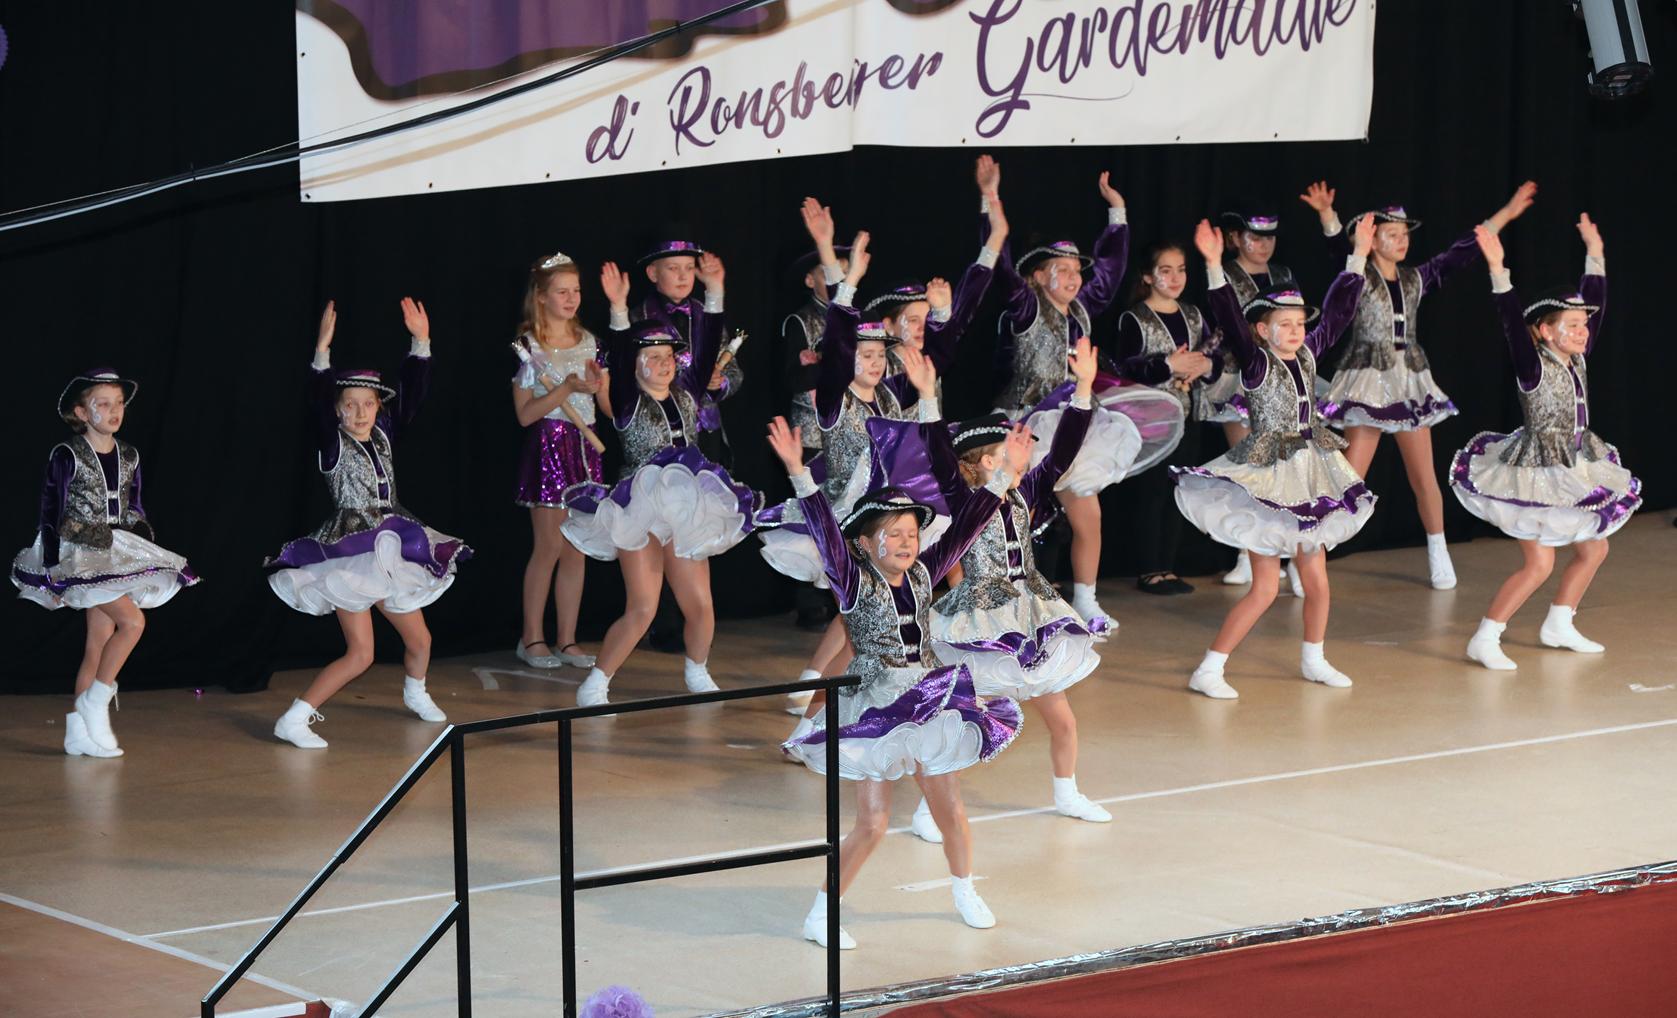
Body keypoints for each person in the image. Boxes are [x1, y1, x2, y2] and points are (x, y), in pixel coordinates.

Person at [766, 415, 1027, 949]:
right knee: (874, 823)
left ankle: (963, 891)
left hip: (929, 698)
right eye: (895, 534)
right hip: (877, 707)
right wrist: (798, 472)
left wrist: (1001, 479)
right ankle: (821, 913)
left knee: (951, 809)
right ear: (866, 543)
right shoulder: (853, 580)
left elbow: (966, 527)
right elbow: (826, 534)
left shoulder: (925, 573)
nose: (908, 542)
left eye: (913, 533)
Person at [1172, 215, 1376, 699]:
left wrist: (1358, 257)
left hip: (1311, 471)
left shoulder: (1307, 354)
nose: (1296, 330)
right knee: (1265, 588)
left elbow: (1339, 313)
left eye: (1300, 323)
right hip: (1269, 476)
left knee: (1317, 579)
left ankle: (1314, 659)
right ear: (1262, 330)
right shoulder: (1256, 360)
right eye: (1284, 324)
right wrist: (1213, 265)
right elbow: (1227, 315)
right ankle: (1210, 668)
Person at [916, 337, 1110, 839]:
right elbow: (939, 457)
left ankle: (1067, 793)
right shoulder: (964, 499)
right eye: (1009, 450)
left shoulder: (1027, 494)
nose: (1023, 453)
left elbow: (1062, 454)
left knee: (1062, 718)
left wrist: (1083, 390)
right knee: (961, 719)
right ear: (983, 462)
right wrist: (928, 399)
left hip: (1031, 614)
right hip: (981, 621)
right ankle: (927, 811)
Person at [1300, 179, 1537, 590]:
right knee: (1350, 477)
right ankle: (1311, 552)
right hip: (1367, 381)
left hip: (1409, 382)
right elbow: (1343, 255)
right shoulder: (1358, 274)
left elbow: (1459, 253)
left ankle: (1437, 549)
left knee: (1424, 475)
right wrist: (1328, 216)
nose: (1402, 240)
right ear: (1372, 239)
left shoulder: (1415, 279)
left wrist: (1506, 213)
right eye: (1392, 234)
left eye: (1405, 234)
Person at [980, 154, 1182, 624]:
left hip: (1071, 424)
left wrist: (1117, 213)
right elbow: (1001, 271)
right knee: (1016, 519)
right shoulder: (1026, 307)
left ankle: (1086, 600)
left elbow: (1109, 274)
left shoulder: (1082, 311)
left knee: (1087, 516)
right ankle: (1011, 604)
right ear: (1038, 276)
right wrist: (990, 201)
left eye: (1077, 271)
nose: (1074, 279)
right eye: (1062, 270)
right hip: (1023, 427)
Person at [562, 255, 761, 706]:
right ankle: (596, 683)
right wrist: (618, 308)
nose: (663, 363)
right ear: (635, 365)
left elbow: (707, 348)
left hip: (686, 505)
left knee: (701, 607)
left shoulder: (688, 392)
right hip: (639, 507)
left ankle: (697, 671)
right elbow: (617, 354)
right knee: (644, 607)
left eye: (668, 356)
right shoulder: (628, 401)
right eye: (651, 357)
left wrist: (714, 292)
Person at [267, 299, 467, 748]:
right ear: (337, 410)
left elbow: (413, 395)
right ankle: (294, 718)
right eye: (350, 405)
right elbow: (316, 401)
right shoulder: (331, 443)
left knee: (421, 641)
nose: (359, 413)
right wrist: (321, 353)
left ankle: (415, 692)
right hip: (352, 554)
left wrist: (421, 343)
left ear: (379, 408)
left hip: (391, 546)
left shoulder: (383, 436)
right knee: (361, 653)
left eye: (368, 404)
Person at [1455, 218, 1640, 670]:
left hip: (1574, 460)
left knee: (1595, 547)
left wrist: (1595, 253)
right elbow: (1510, 322)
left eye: (1583, 325)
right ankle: (1485, 637)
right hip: (1536, 469)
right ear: (1543, 330)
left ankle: (1559, 622)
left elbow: (1595, 302)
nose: (1582, 331)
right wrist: (1498, 271)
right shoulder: (1532, 365)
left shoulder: (1578, 358)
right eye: (1571, 325)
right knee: (1538, 565)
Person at [12, 368, 200, 757]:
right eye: (103, 404)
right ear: (82, 413)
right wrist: (52, 568)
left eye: (119, 403)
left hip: (113, 552)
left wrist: (140, 541)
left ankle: (77, 734)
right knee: (133, 623)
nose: (114, 411)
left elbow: (134, 507)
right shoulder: (67, 454)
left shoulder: (129, 454)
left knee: (97, 643)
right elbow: (51, 512)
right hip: (78, 554)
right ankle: (95, 702)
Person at [511, 252, 607, 670]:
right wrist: (565, 388)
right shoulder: (529, 346)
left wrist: (599, 387)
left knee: (576, 548)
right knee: (549, 545)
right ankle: (531, 637)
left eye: (576, 291)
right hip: (550, 445)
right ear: (541, 296)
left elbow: (605, 406)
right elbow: (525, 415)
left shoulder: (590, 341)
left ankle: (567, 639)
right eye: (562, 292)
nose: (571, 299)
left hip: (585, 449)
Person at [1113, 240, 1216, 595]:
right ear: (1147, 276)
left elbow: (1213, 361)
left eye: (1181, 270)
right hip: (1152, 421)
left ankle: (1167, 567)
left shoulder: (1193, 314)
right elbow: (1125, 370)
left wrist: (1204, 365)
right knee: (1152, 493)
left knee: (1179, 490)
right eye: (1166, 270)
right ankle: (1148, 569)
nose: (1175, 278)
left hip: (1189, 417)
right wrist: (1168, 365)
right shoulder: (1135, 317)